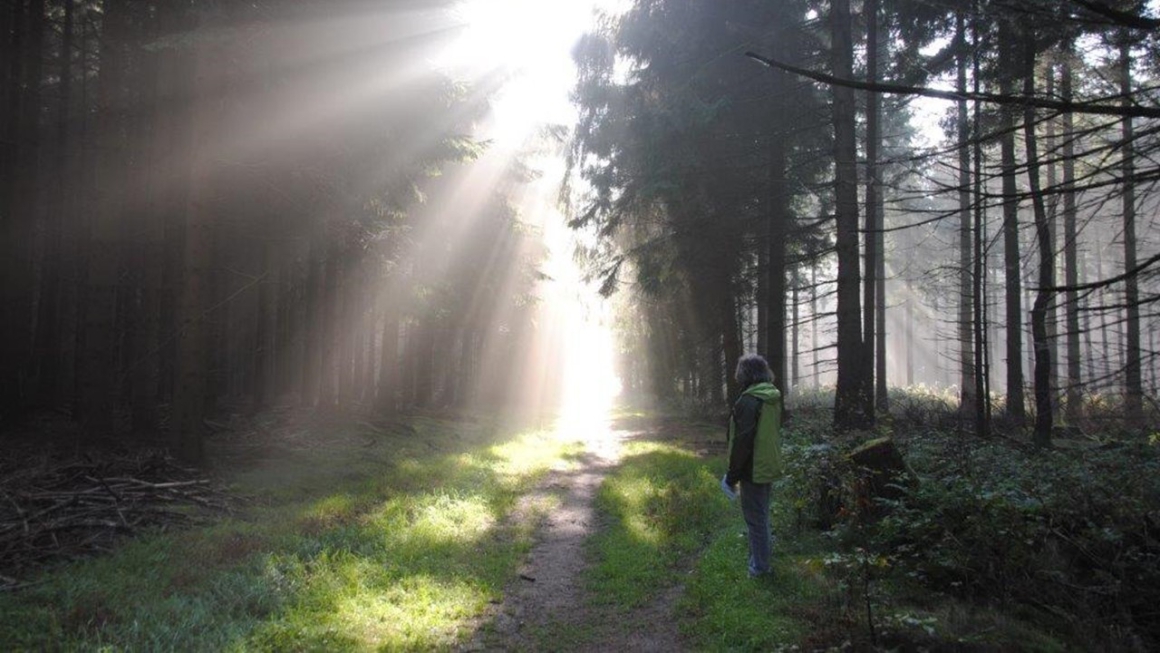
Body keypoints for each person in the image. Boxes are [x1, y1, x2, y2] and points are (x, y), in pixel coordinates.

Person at [723, 354, 783, 578]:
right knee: (762, 517)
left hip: (754, 468)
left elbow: (743, 443)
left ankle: (760, 568)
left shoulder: (749, 401)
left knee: (755, 521)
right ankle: (759, 561)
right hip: (768, 464)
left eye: (740, 370)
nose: (736, 375)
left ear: (746, 373)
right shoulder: (771, 397)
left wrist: (731, 476)